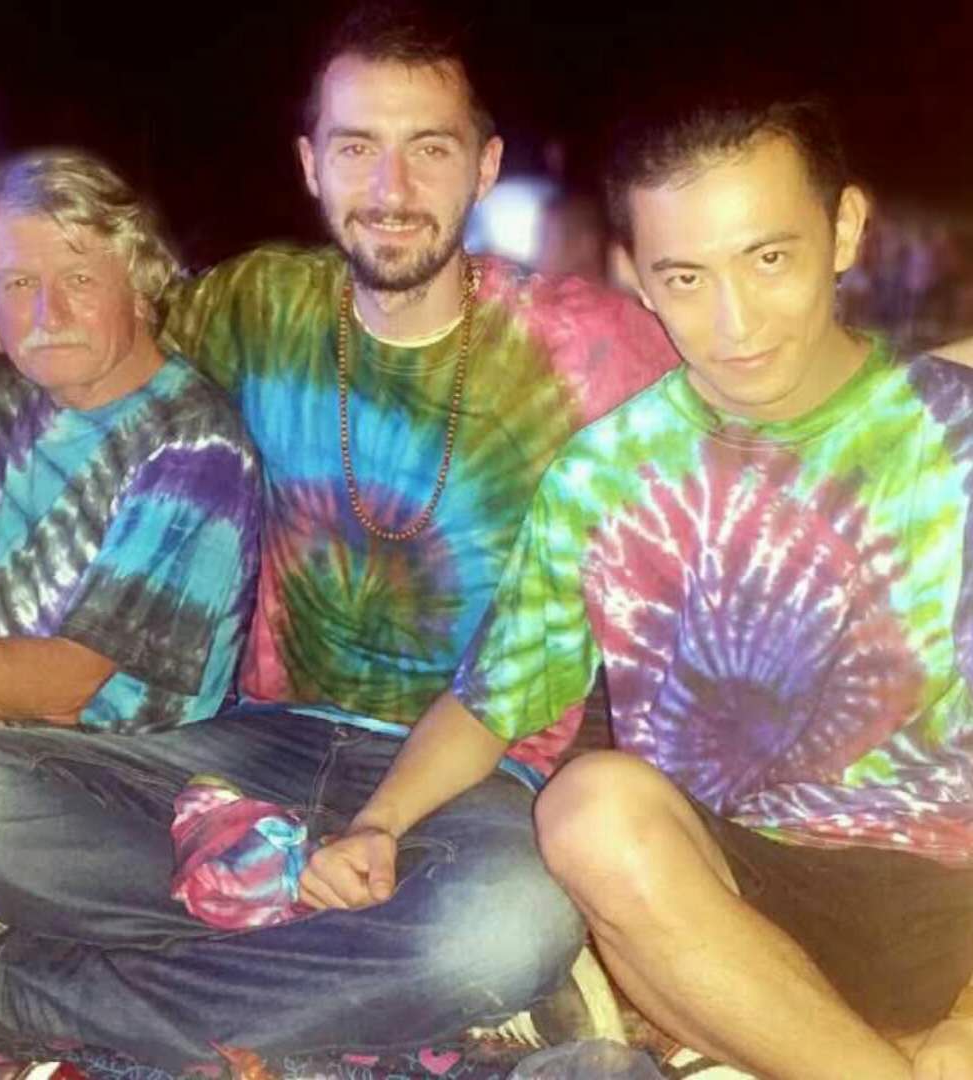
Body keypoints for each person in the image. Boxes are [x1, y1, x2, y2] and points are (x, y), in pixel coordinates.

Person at [0, 4, 680, 1069]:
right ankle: (346, 974)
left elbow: (751, 396)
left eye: (429, 147)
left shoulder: (596, 346)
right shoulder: (261, 303)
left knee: (507, 924)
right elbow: (87, 319)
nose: (391, 187)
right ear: (312, 164)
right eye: (357, 147)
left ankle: (40, 983)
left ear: (485, 166)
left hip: (472, 777)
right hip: (249, 749)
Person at [345, 97, 973, 1078]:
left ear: (845, 228)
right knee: (588, 808)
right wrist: (377, 822)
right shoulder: (605, 475)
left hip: (951, 895)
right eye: (686, 276)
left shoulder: (956, 436)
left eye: (769, 258)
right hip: (724, 908)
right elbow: (493, 697)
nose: (735, 323)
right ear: (635, 274)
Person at [0, 149, 260, 929]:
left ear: (142, 285)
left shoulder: (195, 445)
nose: (47, 313)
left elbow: (65, 684)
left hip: (77, 763)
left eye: (80, 278)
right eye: (18, 284)